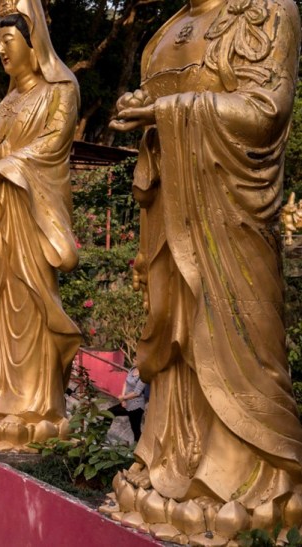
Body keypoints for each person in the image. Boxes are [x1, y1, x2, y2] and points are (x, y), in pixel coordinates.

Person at [107, 0, 302, 535]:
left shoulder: (267, 11)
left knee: (236, 335)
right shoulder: (168, 29)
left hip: (229, 222)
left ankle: (247, 481)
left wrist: (169, 112)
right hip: (172, 217)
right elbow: (161, 99)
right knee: (177, 341)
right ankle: (173, 464)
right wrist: (143, 106)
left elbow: (266, 109)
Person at [0, 0, 81, 449]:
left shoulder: (60, 90)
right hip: (2, 225)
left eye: (9, 40)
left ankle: (41, 404)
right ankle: (2, 398)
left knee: (35, 305)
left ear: (33, 42)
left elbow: (50, 148)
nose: (1, 50)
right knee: (4, 311)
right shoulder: (6, 104)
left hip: (33, 219)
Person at [106, 366, 146, 442]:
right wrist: (123, 400)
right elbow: (125, 383)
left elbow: (137, 392)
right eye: (134, 358)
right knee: (109, 412)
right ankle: (101, 433)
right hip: (126, 401)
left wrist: (123, 398)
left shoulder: (144, 374)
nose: (135, 360)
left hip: (136, 405)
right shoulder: (132, 369)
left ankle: (137, 449)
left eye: (137, 358)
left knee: (135, 429)